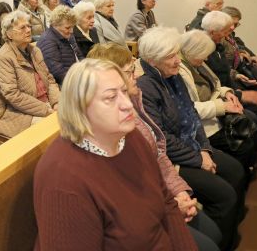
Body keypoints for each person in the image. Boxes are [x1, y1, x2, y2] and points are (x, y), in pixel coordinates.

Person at [33, 58, 197, 250]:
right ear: (81, 108)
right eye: (111, 98)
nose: (127, 104)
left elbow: (166, 203)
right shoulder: (62, 180)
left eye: (124, 91)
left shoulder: (131, 137)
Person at [87, 43, 222, 250]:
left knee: (213, 233)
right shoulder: (111, 126)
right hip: (148, 210)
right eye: (129, 71)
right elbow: (132, 189)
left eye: (133, 67)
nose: (136, 75)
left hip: (162, 193)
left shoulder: (135, 100)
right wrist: (171, 204)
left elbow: (158, 153)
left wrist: (180, 191)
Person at [136, 26, 245, 250]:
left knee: (236, 170)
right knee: (224, 196)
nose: (178, 60)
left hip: (191, 147)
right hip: (173, 159)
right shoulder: (146, 87)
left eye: (177, 53)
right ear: (153, 60)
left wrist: (204, 149)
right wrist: (197, 159)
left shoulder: (173, 76)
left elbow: (192, 114)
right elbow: (161, 139)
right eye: (171, 56)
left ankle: (228, 235)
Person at [179, 30, 257, 168]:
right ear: (191, 52)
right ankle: (241, 173)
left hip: (214, 113)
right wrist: (223, 106)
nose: (206, 59)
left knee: (249, 125)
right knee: (244, 145)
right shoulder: (180, 72)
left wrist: (227, 93)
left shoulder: (196, 62)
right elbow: (189, 109)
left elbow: (214, 86)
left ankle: (245, 168)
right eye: (203, 56)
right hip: (201, 126)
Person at [0, 10, 59, 138]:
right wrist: (46, 110)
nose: (28, 30)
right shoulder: (4, 58)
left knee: (77, 114)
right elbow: (12, 95)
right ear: (9, 34)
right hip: (17, 114)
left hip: (46, 104)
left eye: (29, 26)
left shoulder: (35, 51)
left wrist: (56, 102)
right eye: (22, 27)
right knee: (56, 129)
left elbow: (49, 80)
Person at [201, 11, 257, 129]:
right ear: (212, 32)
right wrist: (237, 93)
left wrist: (236, 78)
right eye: (224, 31)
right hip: (219, 95)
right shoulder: (204, 50)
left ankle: (253, 132)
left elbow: (225, 70)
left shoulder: (218, 45)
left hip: (228, 88)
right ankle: (248, 133)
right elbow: (212, 83)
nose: (227, 34)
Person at [222, 6, 257, 88]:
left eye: (236, 24)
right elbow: (221, 65)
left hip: (237, 66)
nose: (233, 27)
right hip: (231, 73)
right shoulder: (219, 38)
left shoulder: (229, 34)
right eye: (231, 23)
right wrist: (236, 75)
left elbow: (235, 47)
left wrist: (243, 53)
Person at [37, 5, 83, 85]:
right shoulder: (47, 40)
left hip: (75, 76)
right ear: (55, 25)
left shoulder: (68, 35)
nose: (71, 31)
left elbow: (80, 56)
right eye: (67, 28)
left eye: (73, 27)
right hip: (63, 83)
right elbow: (57, 72)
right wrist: (79, 80)